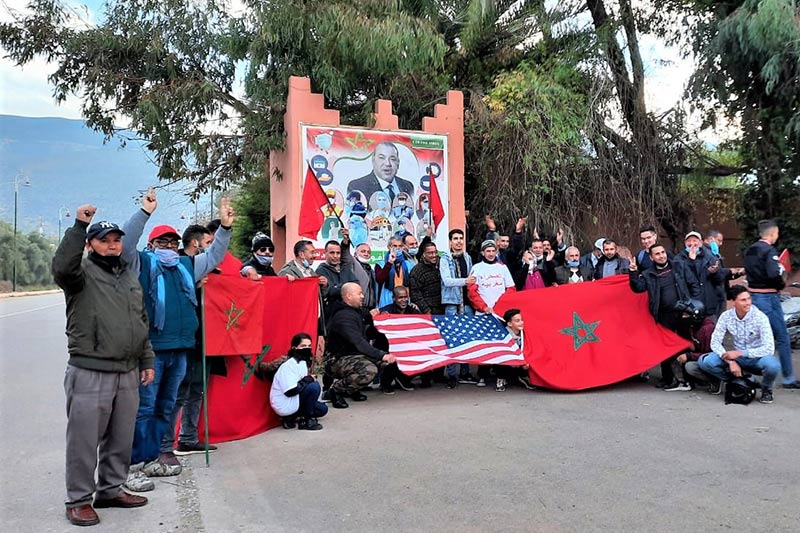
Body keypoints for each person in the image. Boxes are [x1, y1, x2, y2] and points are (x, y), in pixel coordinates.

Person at [120, 188, 233, 492]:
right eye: (162, 242)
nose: (168, 246)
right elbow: (126, 243)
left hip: (181, 349)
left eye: (172, 242)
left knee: (167, 407)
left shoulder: (186, 266)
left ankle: (155, 456)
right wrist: (144, 213)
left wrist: (225, 228)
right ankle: (132, 467)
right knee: (144, 409)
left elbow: (215, 255)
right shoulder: (140, 264)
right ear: (151, 245)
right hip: (152, 352)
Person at [53, 208, 152, 526]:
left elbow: (139, 320)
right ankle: (79, 499)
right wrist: (79, 226)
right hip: (90, 369)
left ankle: (110, 489)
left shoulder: (128, 277)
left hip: (127, 370)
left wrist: (146, 358)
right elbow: (61, 267)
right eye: (104, 240)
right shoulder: (79, 274)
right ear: (90, 245)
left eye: (116, 240)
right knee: (83, 439)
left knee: (121, 437)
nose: (112, 245)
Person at [171, 224, 223, 458]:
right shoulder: (177, 265)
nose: (210, 248)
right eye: (208, 243)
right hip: (185, 340)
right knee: (180, 392)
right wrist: (194, 286)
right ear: (196, 242)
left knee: (197, 391)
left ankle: (188, 438)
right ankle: (164, 444)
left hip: (206, 339)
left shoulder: (208, 267)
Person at [628, 243, 701, 390]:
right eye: (657, 254)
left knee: (685, 345)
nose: (661, 256)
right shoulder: (648, 273)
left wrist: (693, 307)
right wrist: (634, 272)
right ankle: (668, 378)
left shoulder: (679, 266)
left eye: (663, 252)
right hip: (663, 316)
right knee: (665, 348)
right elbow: (638, 288)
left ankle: (688, 379)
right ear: (651, 257)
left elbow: (694, 285)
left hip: (684, 313)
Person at [698, 286, 781, 404]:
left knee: (773, 365)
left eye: (748, 299)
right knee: (705, 361)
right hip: (737, 359)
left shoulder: (760, 318)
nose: (748, 303)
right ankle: (738, 380)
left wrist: (741, 353)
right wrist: (731, 361)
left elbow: (769, 348)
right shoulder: (726, 316)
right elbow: (715, 342)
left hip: (757, 359)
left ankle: (766, 389)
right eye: (743, 300)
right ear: (733, 302)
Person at [744, 219, 800, 389]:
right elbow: (773, 274)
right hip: (769, 298)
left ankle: (750, 377)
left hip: (753, 296)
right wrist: (782, 284)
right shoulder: (769, 250)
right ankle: (788, 378)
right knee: (782, 337)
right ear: (773, 234)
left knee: (754, 337)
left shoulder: (750, 250)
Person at [326, 283, 398, 408]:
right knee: (369, 370)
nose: (363, 296)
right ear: (348, 296)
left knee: (387, 363)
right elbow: (358, 342)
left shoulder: (355, 311)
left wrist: (374, 316)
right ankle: (336, 391)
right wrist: (382, 355)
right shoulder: (343, 317)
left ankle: (353, 389)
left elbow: (366, 317)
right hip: (338, 359)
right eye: (359, 293)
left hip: (354, 354)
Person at [468, 240, 517, 387]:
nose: (490, 254)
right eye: (487, 251)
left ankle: (501, 375)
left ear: (497, 252)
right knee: (485, 344)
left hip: (500, 313)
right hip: (483, 313)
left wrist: (500, 306)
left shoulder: (503, 268)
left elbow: (511, 288)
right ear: (483, 252)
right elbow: (471, 291)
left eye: (493, 251)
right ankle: (482, 374)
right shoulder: (476, 268)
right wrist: (483, 307)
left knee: (502, 344)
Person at [439, 229, 478, 387]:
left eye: (461, 238)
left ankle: (465, 373)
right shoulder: (444, 259)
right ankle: (452, 375)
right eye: (455, 238)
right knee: (451, 339)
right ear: (450, 242)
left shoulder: (467, 257)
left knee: (467, 338)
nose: (459, 241)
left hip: (467, 303)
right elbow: (447, 281)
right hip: (452, 304)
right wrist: (465, 281)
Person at [269, 333, 328, 430]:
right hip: (285, 402)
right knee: (314, 386)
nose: (307, 348)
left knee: (322, 409)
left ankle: (292, 417)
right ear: (294, 347)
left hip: (295, 398)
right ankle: (306, 421)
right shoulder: (288, 366)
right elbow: (290, 391)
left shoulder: (302, 362)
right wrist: (308, 380)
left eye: (309, 346)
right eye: (303, 346)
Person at [674, 231, 724, 319]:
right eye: (689, 241)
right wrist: (691, 261)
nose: (692, 243)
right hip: (690, 306)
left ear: (700, 243)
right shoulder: (679, 259)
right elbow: (682, 280)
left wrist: (714, 273)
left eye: (695, 240)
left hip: (709, 304)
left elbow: (720, 279)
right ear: (685, 243)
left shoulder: (710, 257)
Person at [347, 142, 415, 202]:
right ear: (373, 161)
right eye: (382, 158)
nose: (387, 163)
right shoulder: (357, 187)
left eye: (392, 159)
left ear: (398, 163)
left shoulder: (408, 186)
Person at [703, 229, 744, 316]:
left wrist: (736, 273)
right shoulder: (706, 253)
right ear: (711, 239)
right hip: (714, 294)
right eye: (719, 241)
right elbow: (717, 273)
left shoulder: (714, 253)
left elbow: (722, 273)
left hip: (720, 292)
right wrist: (729, 271)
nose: (721, 244)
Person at [495, 308, 537, 391]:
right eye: (517, 321)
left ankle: (523, 377)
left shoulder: (525, 333)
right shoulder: (504, 335)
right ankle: (501, 378)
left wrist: (525, 361)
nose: (521, 323)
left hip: (520, 363)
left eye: (521, 320)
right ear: (510, 324)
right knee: (500, 361)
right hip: (507, 362)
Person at [316, 240, 358, 320]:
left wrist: (336, 286)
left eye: (338, 253)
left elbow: (356, 285)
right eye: (332, 253)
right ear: (325, 253)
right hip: (332, 315)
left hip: (350, 312)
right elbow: (329, 291)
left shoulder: (345, 268)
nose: (335, 256)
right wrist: (347, 287)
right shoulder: (320, 270)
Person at [341, 229, 378, 311]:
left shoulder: (371, 270)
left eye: (368, 252)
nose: (366, 254)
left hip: (370, 310)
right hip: (356, 308)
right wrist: (345, 241)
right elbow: (345, 253)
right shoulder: (351, 263)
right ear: (355, 254)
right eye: (363, 251)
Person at [408, 241, 444, 315]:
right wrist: (426, 310)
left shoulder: (443, 265)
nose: (434, 255)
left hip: (443, 308)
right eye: (430, 253)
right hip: (428, 310)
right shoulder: (417, 271)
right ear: (424, 254)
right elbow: (415, 294)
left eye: (435, 252)